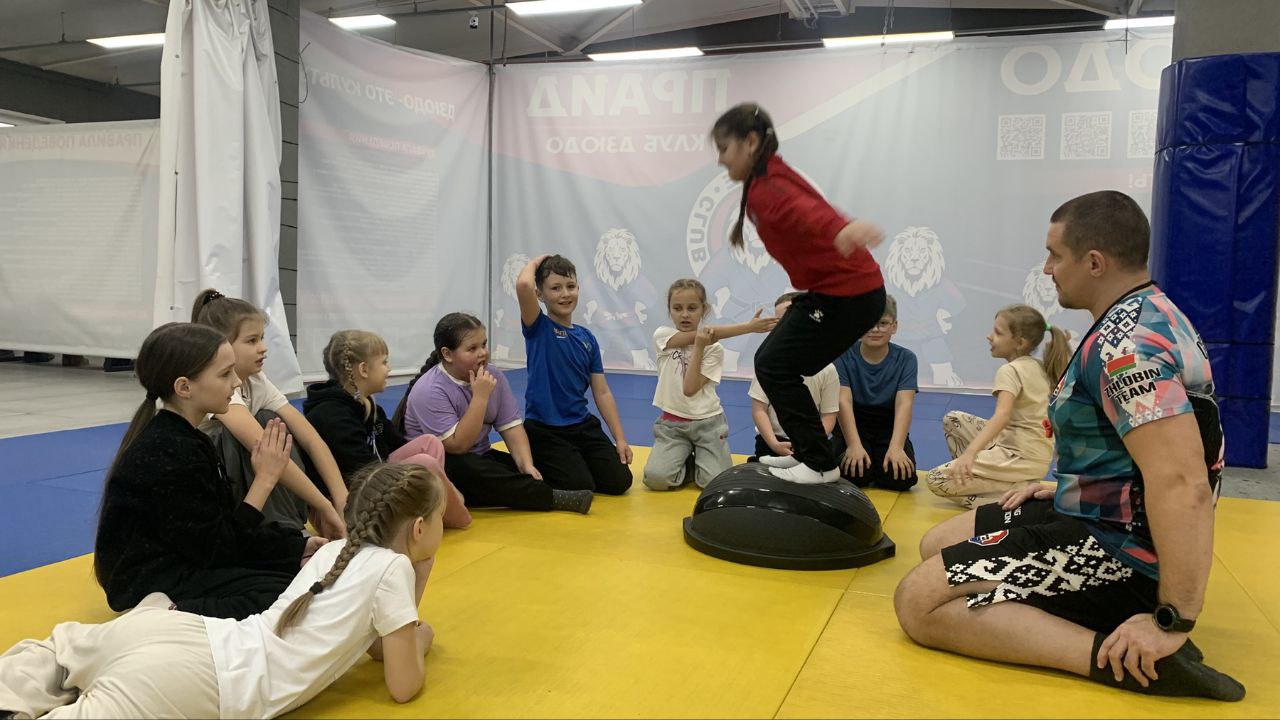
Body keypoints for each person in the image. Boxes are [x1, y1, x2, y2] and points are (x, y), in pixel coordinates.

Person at [894, 191, 1244, 701]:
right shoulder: (1143, 314)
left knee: (918, 601)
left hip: (1121, 551)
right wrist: (1068, 485)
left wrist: (1173, 619)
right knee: (936, 544)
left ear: (1095, 262)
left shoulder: (1127, 348)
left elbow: (1182, 483)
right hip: (1096, 513)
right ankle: (1063, 605)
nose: (1047, 268)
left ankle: (1121, 658)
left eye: (1055, 255)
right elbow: (1130, 450)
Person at [1, 462, 445, 717]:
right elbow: (403, 685)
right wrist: (421, 637)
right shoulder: (391, 569)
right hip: (206, 679)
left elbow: (374, 645)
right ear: (420, 528)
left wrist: (416, 578)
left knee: (56, 655)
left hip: (186, 633)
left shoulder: (335, 551)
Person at [93, 322, 324, 620]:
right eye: (225, 374)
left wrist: (297, 548)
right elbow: (219, 549)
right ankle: (163, 615)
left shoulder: (189, 439)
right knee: (281, 593)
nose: (236, 382)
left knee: (298, 578)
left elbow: (224, 533)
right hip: (147, 582)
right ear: (184, 387)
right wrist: (264, 480)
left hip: (188, 558)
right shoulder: (168, 449)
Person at [712, 102, 886, 484]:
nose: (720, 159)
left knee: (775, 364)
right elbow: (808, 204)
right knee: (774, 362)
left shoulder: (768, 188)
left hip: (851, 295)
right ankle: (810, 454)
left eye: (724, 148)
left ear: (750, 142)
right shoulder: (769, 175)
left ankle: (820, 464)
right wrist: (840, 227)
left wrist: (842, 229)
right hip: (839, 291)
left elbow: (806, 210)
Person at [394, 313, 594, 514]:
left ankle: (529, 486)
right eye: (472, 349)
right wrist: (480, 398)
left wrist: (526, 465)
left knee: (540, 466)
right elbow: (459, 446)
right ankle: (550, 497)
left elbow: (511, 426)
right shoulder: (429, 389)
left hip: (481, 457)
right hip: (445, 465)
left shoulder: (493, 374)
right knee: (470, 469)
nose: (483, 353)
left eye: (484, 344)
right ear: (447, 354)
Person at [192, 289, 346, 537]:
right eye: (252, 341)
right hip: (214, 488)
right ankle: (281, 527)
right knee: (260, 431)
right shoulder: (215, 388)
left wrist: (341, 498)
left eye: (262, 338)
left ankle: (290, 522)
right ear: (221, 345)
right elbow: (262, 446)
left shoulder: (256, 381)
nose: (263, 348)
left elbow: (311, 439)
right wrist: (323, 505)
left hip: (249, 481)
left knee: (275, 424)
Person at [303, 329, 471, 528]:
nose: (389, 369)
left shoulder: (367, 404)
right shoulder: (333, 415)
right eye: (384, 363)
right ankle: (455, 516)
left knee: (429, 443)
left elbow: (396, 444)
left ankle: (433, 507)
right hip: (344, 506)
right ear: (364, 370)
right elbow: (362, 473)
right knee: (424, 463)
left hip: (370, 482)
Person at [926, 304, 1070, 507]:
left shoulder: (1009, 371)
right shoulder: (1040, 366)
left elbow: (1002, 416)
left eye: (998, 332)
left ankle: (1015, 498)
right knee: (953, 419)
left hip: (1018, 457)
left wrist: (970, 453)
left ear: (1019, 342)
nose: (989, 336)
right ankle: (999, 482)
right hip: (1034, 456)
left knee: (935, 480)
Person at [515, 254, 633, 495]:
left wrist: (620, 438)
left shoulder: (587, 338)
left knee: (620, 482)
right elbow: (524, 285)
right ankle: (540, 457)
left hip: (581, 425)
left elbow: (602, 392)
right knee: (580, 485)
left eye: (570, 286)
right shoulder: (538, 327)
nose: (565, 294)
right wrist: (539, 261)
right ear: (540, 295)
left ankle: (574, 459)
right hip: (545, 429)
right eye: (555, 288)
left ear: (578, 289)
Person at [643, 278, 775, 491]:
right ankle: (686, 462)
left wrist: (700, 347)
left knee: (713, 483)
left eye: (692, 308)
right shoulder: (663, 336)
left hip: (708, 424)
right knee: (656, 479)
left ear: (704, 310)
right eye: (677, 308)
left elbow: (690, 388)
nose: (685, 314)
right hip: (672, 426)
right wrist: (748, 327)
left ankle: (701, 458)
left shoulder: (714, 349)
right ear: (669, 311)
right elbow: (700, 336)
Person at [832, 294, 919, 491]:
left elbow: (904, 403)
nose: (875, 329)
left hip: (887, 425)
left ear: (894, 326)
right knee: (854, 475)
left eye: (883, 323)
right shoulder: (843, 355)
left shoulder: (906, 358)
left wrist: (896, 447)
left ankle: (881, 458)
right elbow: (843, 401)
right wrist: (853, 445)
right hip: (854, 423)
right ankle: (849, 451)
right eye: (868, 323)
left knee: (899, 479)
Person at [747, 293, 840, 464]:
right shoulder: (767, 362)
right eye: (780, 321)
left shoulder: (827, 369)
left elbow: (829, 416)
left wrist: (811, 441)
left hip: (812, 440)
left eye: (790, 319)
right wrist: (774, 444)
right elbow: (759, 409)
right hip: (773, 440)